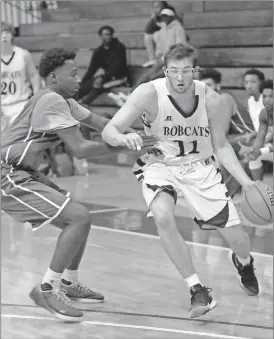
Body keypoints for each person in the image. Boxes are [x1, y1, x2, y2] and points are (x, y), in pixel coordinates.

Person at [102, 43, 259, 319]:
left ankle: (244, 263)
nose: (180, 76)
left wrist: (246, 183)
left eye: (186, 70)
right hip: (161, 165)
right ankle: (197, 288)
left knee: (239, 240)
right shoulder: (148, 93)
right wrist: (123, 137)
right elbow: (109, 130)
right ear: (165, 71)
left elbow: (221, 145)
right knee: (163, 216)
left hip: (201, 169)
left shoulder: (211, 98)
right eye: (174, 70)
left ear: (194, 71)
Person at [1, 47, 157, 322]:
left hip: (23, 171)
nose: (78, 79)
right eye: (72, 74)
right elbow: (80, 149)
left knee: (78, 216)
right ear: (52, 78)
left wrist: (133, 134)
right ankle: (48, 288)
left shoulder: (65, 102)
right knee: (79, 218)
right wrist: (124, 147)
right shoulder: (51, 100)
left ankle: (69, 283)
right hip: (7, 172)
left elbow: (102, 123)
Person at [111, 8, 188, 107]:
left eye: (166, 16)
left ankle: (134, 97)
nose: (164, 18)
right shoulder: (164, 28)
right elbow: (162, 43)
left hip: (174, 61)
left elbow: (180, 46)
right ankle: (130, 94)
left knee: (153, 78)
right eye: (163, 16)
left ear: (171, 17)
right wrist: (159, 53)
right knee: (146, 76)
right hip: (165, 59)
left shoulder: (178, 28)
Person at [200, 68, 253, 197]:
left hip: (247, 138)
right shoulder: (207, 102)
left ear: (218, 85)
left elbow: (221, 134)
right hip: (234, 140)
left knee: (215, 147)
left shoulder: (224, 98)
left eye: (209, 85)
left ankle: (220, 193)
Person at [76, 25, 129, 107]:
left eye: (110, 34)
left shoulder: (119, 47)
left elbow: (116, 68)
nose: (108, 37)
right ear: (100, 36)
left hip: (121, 78)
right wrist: (83, 82)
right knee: (86, 84)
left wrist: (103, 77)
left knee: (100, 83)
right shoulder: (99, 51)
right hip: (107, 77)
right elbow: (91, 69)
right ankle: (73, 101)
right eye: (106, 34)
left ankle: (84, 102)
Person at [1, 23, 40, 131]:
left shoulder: (23, 54)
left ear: (12, 35)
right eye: (1, 33)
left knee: (19, 140)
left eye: (7, 33)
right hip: (2, 106)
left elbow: (33, 74)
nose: (4, 36)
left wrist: (36, 96)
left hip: (21, 103)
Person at [241, 79, 273, 180]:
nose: (266, 100)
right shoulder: (264, 113)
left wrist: (261, 151)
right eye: (264, 96)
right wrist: (253, 150)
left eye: (271, 96)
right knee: (253, 157)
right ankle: (260, 190)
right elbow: (260, 136)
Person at [143, 1, 187, 67]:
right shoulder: (162, 25)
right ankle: (152, 59)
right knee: (151, 35)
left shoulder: (176, 25)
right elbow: (148, 30)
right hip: (164, 55)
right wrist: (153, 18)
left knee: (156, 74)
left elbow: (180, 45)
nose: (164, 18)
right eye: (154, 7)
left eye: (157, 7)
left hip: (173, 57)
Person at [242, 69, 265, 143]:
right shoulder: (250, 101)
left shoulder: (267, 99)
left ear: (262, 83)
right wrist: (253, 133)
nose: (249, 86)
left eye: (253, 82)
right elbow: (258, 126)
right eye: (246, 82)